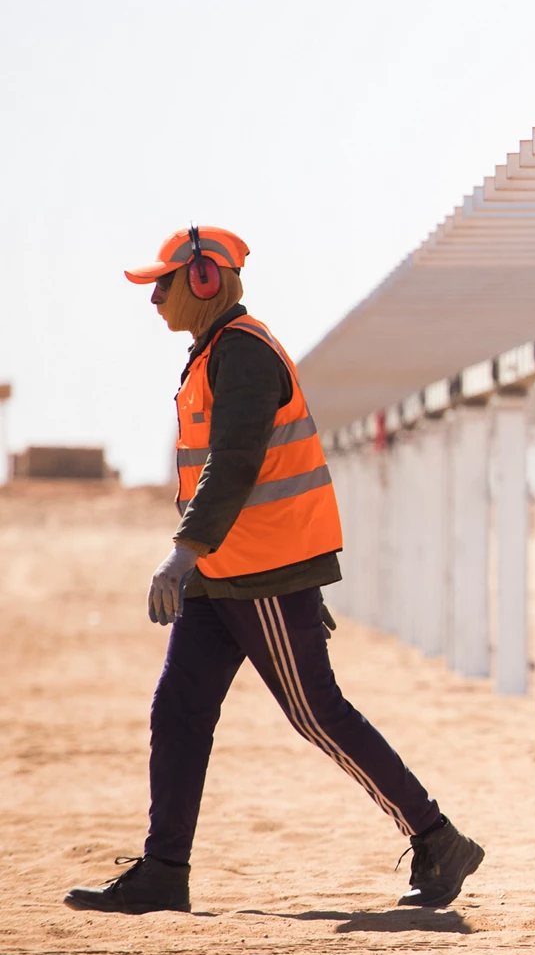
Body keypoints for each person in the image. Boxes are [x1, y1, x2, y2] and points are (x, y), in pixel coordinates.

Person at [64, 226, 484, 915]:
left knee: (317, 713)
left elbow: (236, 463)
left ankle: (438, 839)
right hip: (227, 572)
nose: (155, 299)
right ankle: (165, 869)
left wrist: (183, 553)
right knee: (178, 711)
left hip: (259, 569)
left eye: (162, 284)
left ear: (204, 282)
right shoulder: (213, 355)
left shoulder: (244, 355)